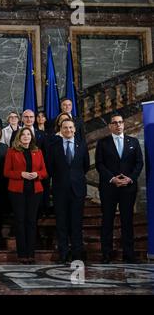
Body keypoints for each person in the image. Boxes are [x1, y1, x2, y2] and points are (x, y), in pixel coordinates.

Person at [95, 113, 143, 264]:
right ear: (110, 126)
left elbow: (139, 163)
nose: (118, 125)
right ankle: (106, 254)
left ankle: (129, 255)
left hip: (128, 188)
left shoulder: (133, 142)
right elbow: (99, 164)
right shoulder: (102, 143)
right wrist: (113, 178)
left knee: (127, 221)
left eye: (120, 122)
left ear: (124, 124)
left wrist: (130, 178)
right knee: (107, 221)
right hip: (109, 187)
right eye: (115, 123)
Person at [47, 119, 90, 264]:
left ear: (75, 129)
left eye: (71, 127)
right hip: (60, 190)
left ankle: (77, 253)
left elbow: (85, 166)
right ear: (61, 129)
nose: (69, 130)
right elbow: (50, 168)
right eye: (65, 128)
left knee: (76, 223)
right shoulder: (54, 146)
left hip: (78, 190)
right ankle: (63, 253)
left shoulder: (82, 145)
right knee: (62, 223)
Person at [4, 127, 47, 264]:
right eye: (23, 135)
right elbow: (7, 172)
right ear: (19, 137)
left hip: (35, 191)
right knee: (20, 221)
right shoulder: (12, 151)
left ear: (31, 137)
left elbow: (44, 171)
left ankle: (31, 254)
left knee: (31, 222)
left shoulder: (38, 151)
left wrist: (37, 175)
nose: (26, 137)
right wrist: (20, 174)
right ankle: (22, 254)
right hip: (17, 191)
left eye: (29, 134)